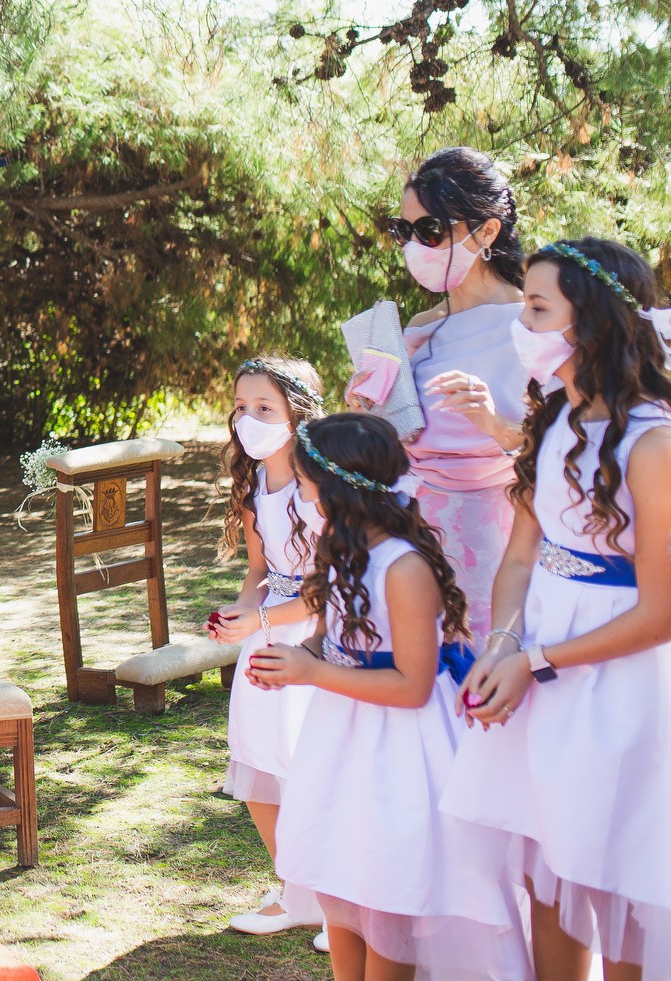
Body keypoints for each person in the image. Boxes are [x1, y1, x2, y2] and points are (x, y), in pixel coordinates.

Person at [443, 239, 671, 980]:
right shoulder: (555, 416)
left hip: (624, 680)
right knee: (549, 865)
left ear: (589, 322)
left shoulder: (654, 444)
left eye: (536, 308)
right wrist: (502, 644)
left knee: (620, 877)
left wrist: (536, 661)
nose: (520, 323)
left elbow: (663, 615)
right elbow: (521, 555)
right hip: (541, 662)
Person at [254, 415, 528, 981]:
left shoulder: (403, 568)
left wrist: (312, 672)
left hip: (397, 751)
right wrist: (296, 658)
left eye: (304, 485)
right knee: (343, 888)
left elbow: (412, 685)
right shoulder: (340, 548)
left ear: (339, 488)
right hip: (341, 737)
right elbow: (330, 634)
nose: (301, 496)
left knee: (387, 894)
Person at [358, 148, 529, 641]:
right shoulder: (419, 326)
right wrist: (368, 415)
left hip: (497, 543)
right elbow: (401, 437)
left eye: (430, 230)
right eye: (404, 230)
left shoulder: (532, 326)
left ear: (487, 231)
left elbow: (571, 446)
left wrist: (495, 425)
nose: (415, 245)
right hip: (410, 535)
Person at [208, 357, 328, 949]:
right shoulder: (253, 484)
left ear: (296, 415)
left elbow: (333, 586)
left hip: (318, 635)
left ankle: (340, 903)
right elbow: (260, 571)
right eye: (241, 407)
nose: (249, 419)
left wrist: (264, 619)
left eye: (264, 408)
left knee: (313, 767)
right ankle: (296, 892)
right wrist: (240, 615)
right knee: (259, 762)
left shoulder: (322, 486)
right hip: (265, 633)